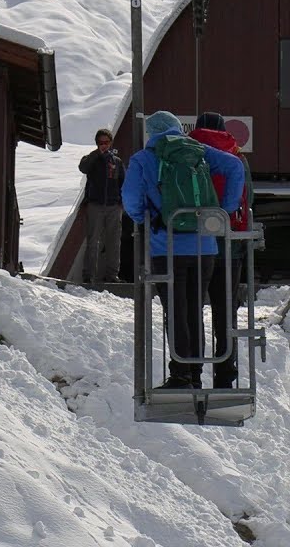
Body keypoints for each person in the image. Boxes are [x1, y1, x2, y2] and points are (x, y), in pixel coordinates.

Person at [122, 110, 244, 389]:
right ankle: (195, 373)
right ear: (178, 128)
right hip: (205, 247)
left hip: (167, 247)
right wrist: (222, 212)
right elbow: (235, 166)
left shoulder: (144, 158)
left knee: (176, 311)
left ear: (152, 133)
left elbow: (130, 197)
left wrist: (144, 219)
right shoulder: (199, 151)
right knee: (193, 309)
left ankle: (181, 375)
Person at [187, 111, 253, 388]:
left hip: (193, 244)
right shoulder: (236, 157)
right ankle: (225, 374)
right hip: (230, 244)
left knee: (191, 309)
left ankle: (191, 373)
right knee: (225, 310)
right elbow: (248, 196)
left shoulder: (188, 154)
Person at [78, 128, 125, 284]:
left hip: (113, 206)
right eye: (100, 142)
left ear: (111, 143)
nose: (104, 145)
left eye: (106, 142)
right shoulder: (91, 159)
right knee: (93, 241)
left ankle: (112, 275)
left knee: (114, 242)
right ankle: (88, 275)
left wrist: (121, 202)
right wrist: (96, 154)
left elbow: (123, 182)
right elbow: (83, 168)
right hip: (95, 205)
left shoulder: (117, 161)